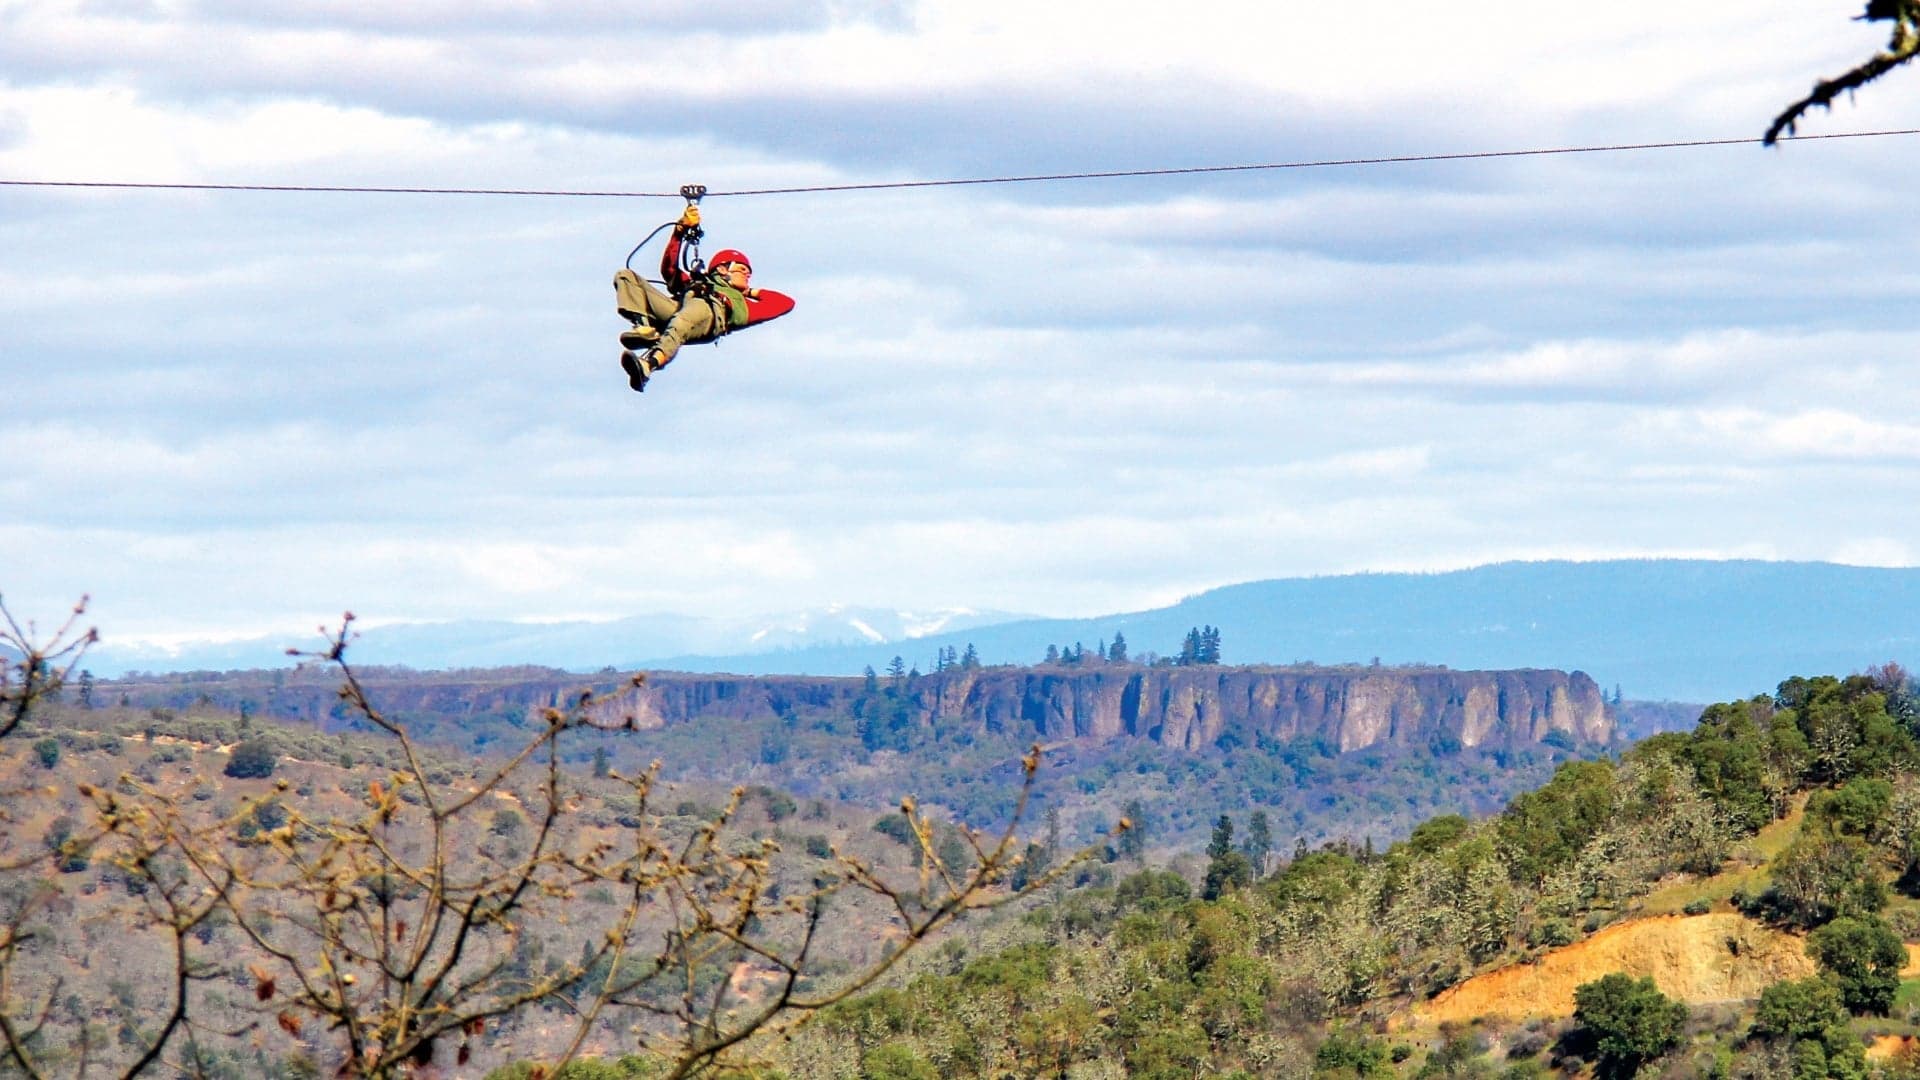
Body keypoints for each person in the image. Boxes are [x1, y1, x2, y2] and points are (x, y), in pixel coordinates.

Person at [612, 206, 795, 393]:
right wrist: (679, 231)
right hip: (680, 310)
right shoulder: (697, 284)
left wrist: (749, 292)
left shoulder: (743, 305)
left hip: (709, 317)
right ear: (723, 270)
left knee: (688, 314)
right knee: (626, 276)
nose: (747, 275)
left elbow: (785, 303)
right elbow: (669, 270)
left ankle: (649, 364)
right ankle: (644, 328)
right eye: (742, 270)